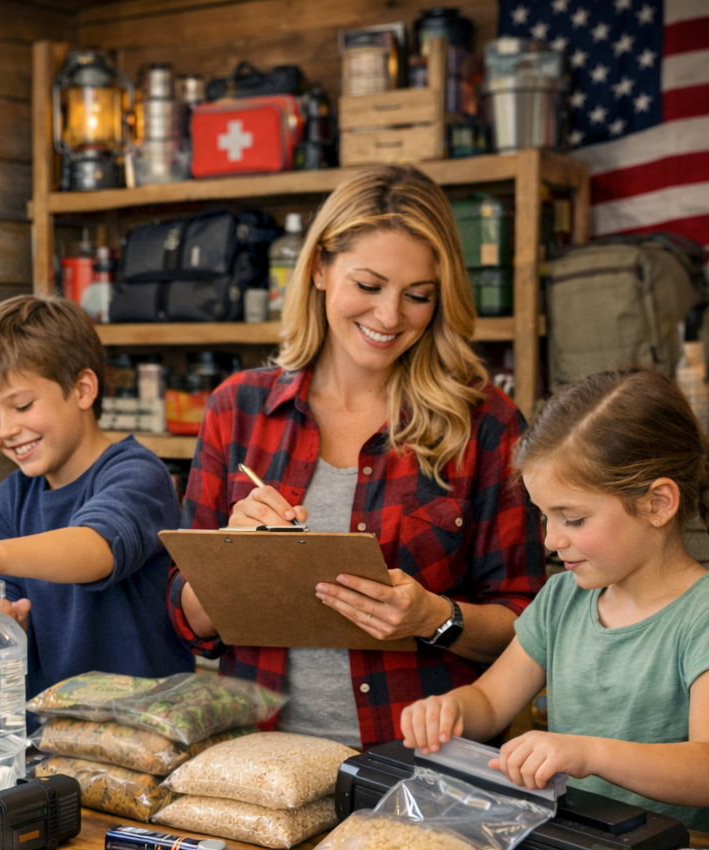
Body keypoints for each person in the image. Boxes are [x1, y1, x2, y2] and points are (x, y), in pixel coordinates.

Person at [168, 165, 545, 747]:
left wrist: (433, 619)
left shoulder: (486, 424)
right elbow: (191, 621)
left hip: (422, 768)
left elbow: (531, 627)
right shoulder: (236, 408)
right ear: (319, 267)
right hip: (262, 766)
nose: (390, 317)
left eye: (417, 296)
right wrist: (234, 560)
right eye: (368, 286)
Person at [401, 368, 709, 831]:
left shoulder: (699, 616)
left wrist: (588, 752)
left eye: (573, 519)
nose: (550, 540)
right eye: (544, 516)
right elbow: (490, 701)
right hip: (569, 846)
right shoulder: (562, 597)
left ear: (658, 503)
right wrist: (450, 711)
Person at [0, 295, 194, 694]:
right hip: (52, 734)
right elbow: (10, 602)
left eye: (22, 405)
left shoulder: (138, 474)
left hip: (146, 725)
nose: (6, 430)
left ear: (83, 389)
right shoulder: (9, 499)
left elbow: (97, 549)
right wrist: (0, 621)